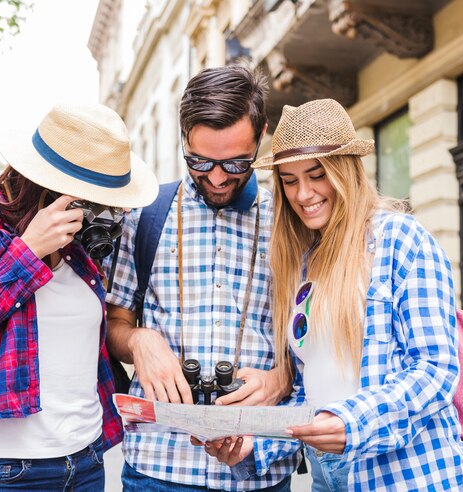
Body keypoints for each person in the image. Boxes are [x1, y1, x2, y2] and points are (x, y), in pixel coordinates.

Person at [204, 98, 463, 490]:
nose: (303, 194)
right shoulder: (302, 263)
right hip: (325, 475)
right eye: (290, 180)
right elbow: (310, 391)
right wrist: (252, 447)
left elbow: (435, 370)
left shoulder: (400, 240)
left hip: (406, 475)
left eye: (316, 174)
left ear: (344, 170)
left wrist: (352, 423)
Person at [0, 102, 158, 491]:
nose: (99, 207)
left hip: (85, 461)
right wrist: (27, 251)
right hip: (0, 471)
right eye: (90, 194)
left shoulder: (85, 238)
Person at [105, 65, 303, 491]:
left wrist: (281, 378)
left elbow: (315, 340)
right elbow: (114, 324)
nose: (216, 177)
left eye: (235, 162)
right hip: (159, 468)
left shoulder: (291, 222)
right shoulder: (144, 214)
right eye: (200, 161)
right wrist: (140, 341)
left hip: (260, 467)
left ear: (261, 134)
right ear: (183, 140)